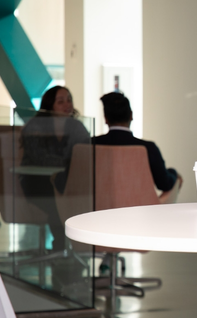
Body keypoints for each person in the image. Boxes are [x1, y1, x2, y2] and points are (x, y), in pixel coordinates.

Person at [20, 86, 90, 251]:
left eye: (69, 100)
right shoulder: (35, 127)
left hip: (67, 182)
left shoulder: (76, 126)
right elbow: (41, 159)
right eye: (60, 101)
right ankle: (61, 248)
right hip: (37, 183)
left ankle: (69, 248)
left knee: (74, 199)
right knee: (58, 205)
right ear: (49, 106)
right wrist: (70, 162)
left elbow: (85, 155)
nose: (67, 104)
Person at [91, 92, 183, 203]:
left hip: (99, 211)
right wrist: (173, 173)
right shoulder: (147, 148)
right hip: (141, 214)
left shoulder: (90, 144)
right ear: (131, 115)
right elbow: (164, 184)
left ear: (105, 118)